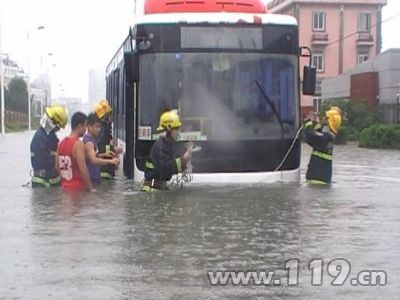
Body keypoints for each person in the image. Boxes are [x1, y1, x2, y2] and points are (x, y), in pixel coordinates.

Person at [141, 110, 193, 191]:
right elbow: (164, 168)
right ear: (169, 129)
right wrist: (183, 159)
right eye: (176, 129)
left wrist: (185, 163)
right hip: (152, 190)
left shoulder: (168, 144)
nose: (179, 132)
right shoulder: (160, 146)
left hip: (159, 188)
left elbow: (172, 162)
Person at [30, 105, 68, 188]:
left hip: (52, 179)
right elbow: (44, 160)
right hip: (42, 182)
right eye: (58, 126)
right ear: (52, 123)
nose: (59, 129)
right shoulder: (40, 137)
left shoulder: (50, 136)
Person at [56, 112, 94, 192]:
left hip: (64, 187)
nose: (85, 130)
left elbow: (57, 166)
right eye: (85, 127)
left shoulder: (60, 143)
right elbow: (83, 168)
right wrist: (91, 188)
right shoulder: (78, 144)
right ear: (80, 126)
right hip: (77, 188)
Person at [304, 106, 342, 185]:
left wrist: (308, 122)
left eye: (326, 119)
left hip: (316, 179)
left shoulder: (326, 138)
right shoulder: (329, 137)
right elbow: (318, 135)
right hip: (322, 178)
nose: (323, 120)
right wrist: (316, 122)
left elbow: (311, 137)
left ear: (329, 123)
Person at [83, 113, 120, 186]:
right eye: (97, 127)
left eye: (99, 127)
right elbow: (93, 160)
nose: (99, 129)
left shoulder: (90, 140)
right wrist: (111, 161)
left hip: (95, 179)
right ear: (89, 126)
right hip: (92, 179)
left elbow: (90, 157)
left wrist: (103, 155)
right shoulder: (89, 142)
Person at [94, 99, 123, 180]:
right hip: (104, 170)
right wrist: (114, 149)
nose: (110, 117)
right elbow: (101, 147)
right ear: (104, 116)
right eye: (109, 115)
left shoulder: (98, 128)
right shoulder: (103, 129)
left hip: (103, 170)